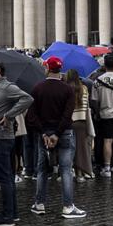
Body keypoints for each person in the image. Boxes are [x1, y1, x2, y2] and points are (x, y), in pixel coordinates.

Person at [28, 57, 84, 216]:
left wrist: (44, 133)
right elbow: (67, 115)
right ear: (60, 70)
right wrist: (57, 134)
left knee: (42, 170)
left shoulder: (38, 88)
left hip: (44, 134)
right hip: (64, 133)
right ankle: (68, 206)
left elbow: (32, 115)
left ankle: (39, 203)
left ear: (47, 69)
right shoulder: (68, 90)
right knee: (66, 169)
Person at [0, 59, 32, 226]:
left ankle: (8, 215)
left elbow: (27, 99)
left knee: (4, 178)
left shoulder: (7, 87)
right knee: (7, 177)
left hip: (0, 138)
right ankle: (12, 213)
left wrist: (9, 115)